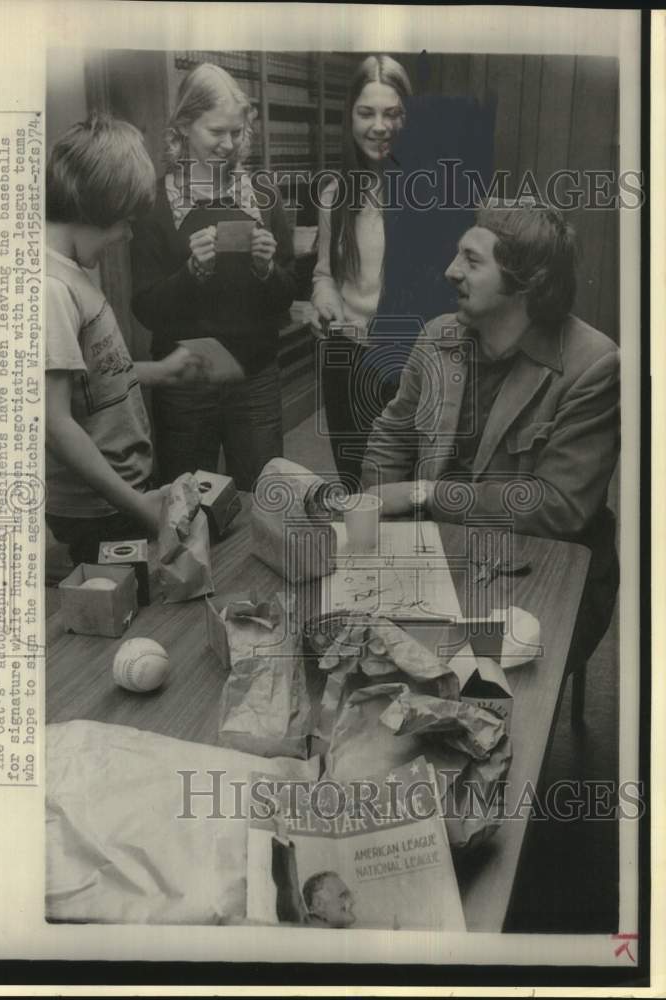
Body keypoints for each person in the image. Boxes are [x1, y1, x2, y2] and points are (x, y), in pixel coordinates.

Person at [362, 201, 620, 666]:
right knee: (373, 661)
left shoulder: (594, 364)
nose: (450, 271)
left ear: (528, 281)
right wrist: (382, 526)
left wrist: (423, 494)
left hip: (538, 568)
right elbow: (392, 435)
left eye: (472, 261)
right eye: (458, 254)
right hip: (438, 553)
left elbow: (559, 507)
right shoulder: (438, 336)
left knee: (483, 687)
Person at [45, 114, 205, 566]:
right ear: (94, 208)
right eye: (124, 222)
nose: (128, 235)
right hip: (99, 507)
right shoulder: (51, 288)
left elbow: (90, 378)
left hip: (118, 494)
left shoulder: (73, 275)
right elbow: (55, 424)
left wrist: (160, 371)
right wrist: (137, 507)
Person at [130, 63, 296, 491]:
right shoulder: (154, 203)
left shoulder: (262, 194)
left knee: (265, 496)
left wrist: (266, 270)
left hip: (255, 374)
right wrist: (191, 274)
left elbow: (288, 293)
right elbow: (145, 307)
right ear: (184, 125)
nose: (229, 145)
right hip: (185, 383)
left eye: (237, 133)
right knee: (188, 503)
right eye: (215, 132)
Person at [311, 54, 412, 489]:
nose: (379, 126)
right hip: (346, 359)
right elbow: (324, 273)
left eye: (392, 114)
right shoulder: (334, 194)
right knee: (354, 482)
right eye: (366, 112)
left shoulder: (433, 193)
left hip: (406, 358)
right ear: (349, 117)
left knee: (402, 486)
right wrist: (323, 297)